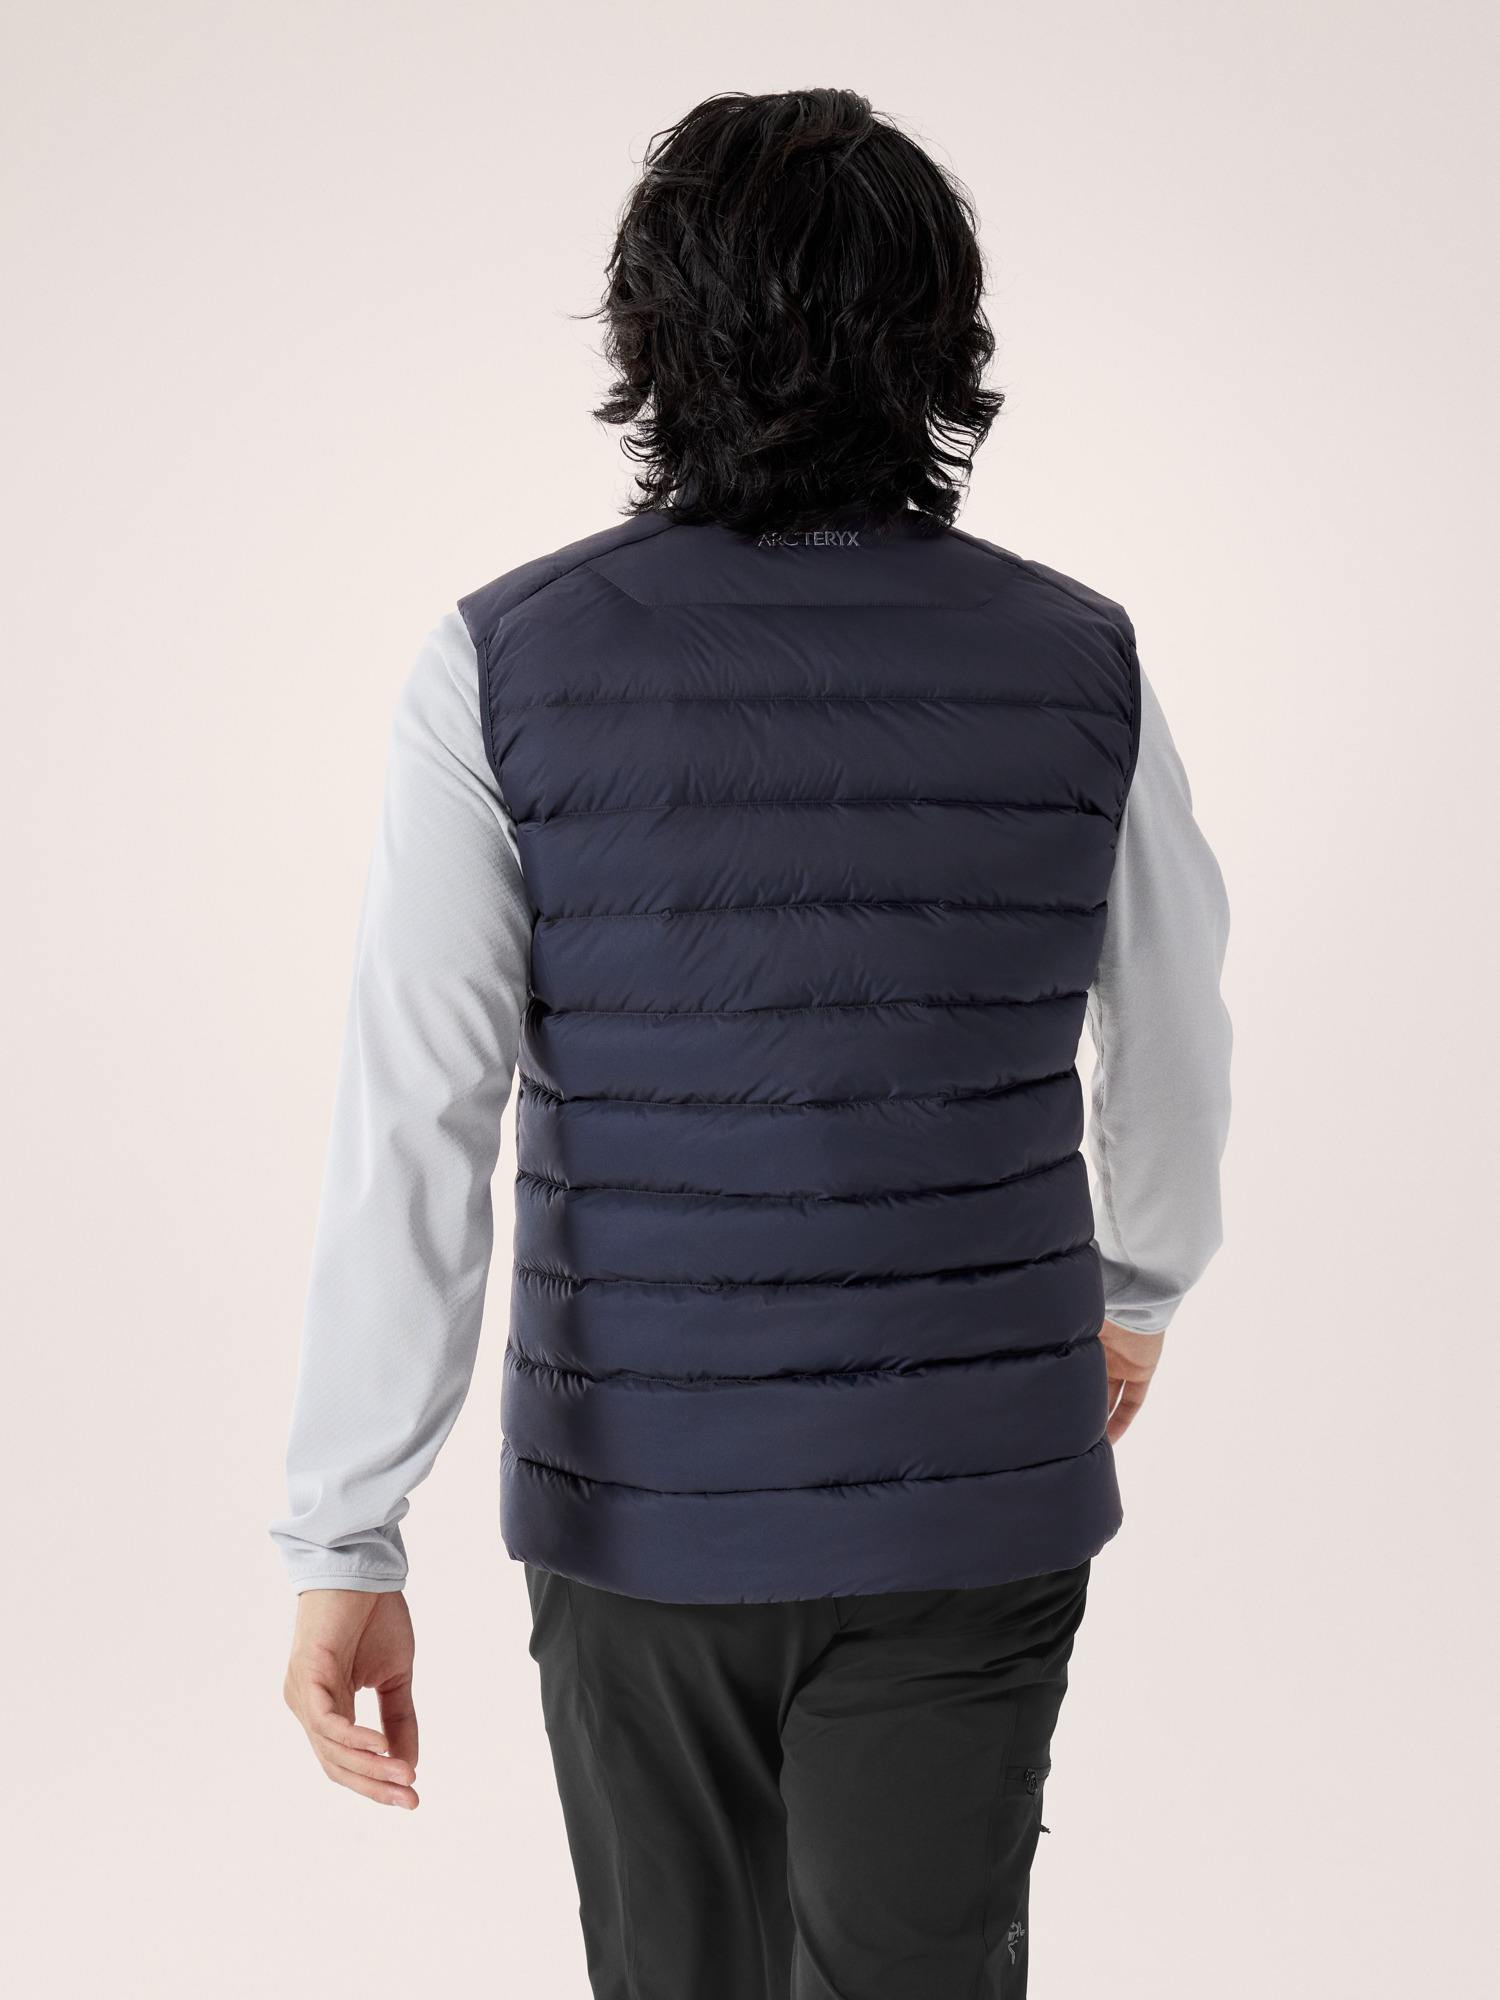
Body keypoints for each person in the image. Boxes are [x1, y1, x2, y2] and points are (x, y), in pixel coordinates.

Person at [273, 88, 1231, 1999]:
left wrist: (346, 1534)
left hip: (641, 1498)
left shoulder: (501, 664)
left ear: (654, 332)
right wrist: (1136, 1288)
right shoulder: (1084, 661)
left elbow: (418, 1119)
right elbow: (1178, 1025)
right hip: (975, 1481)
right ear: (940, 335)